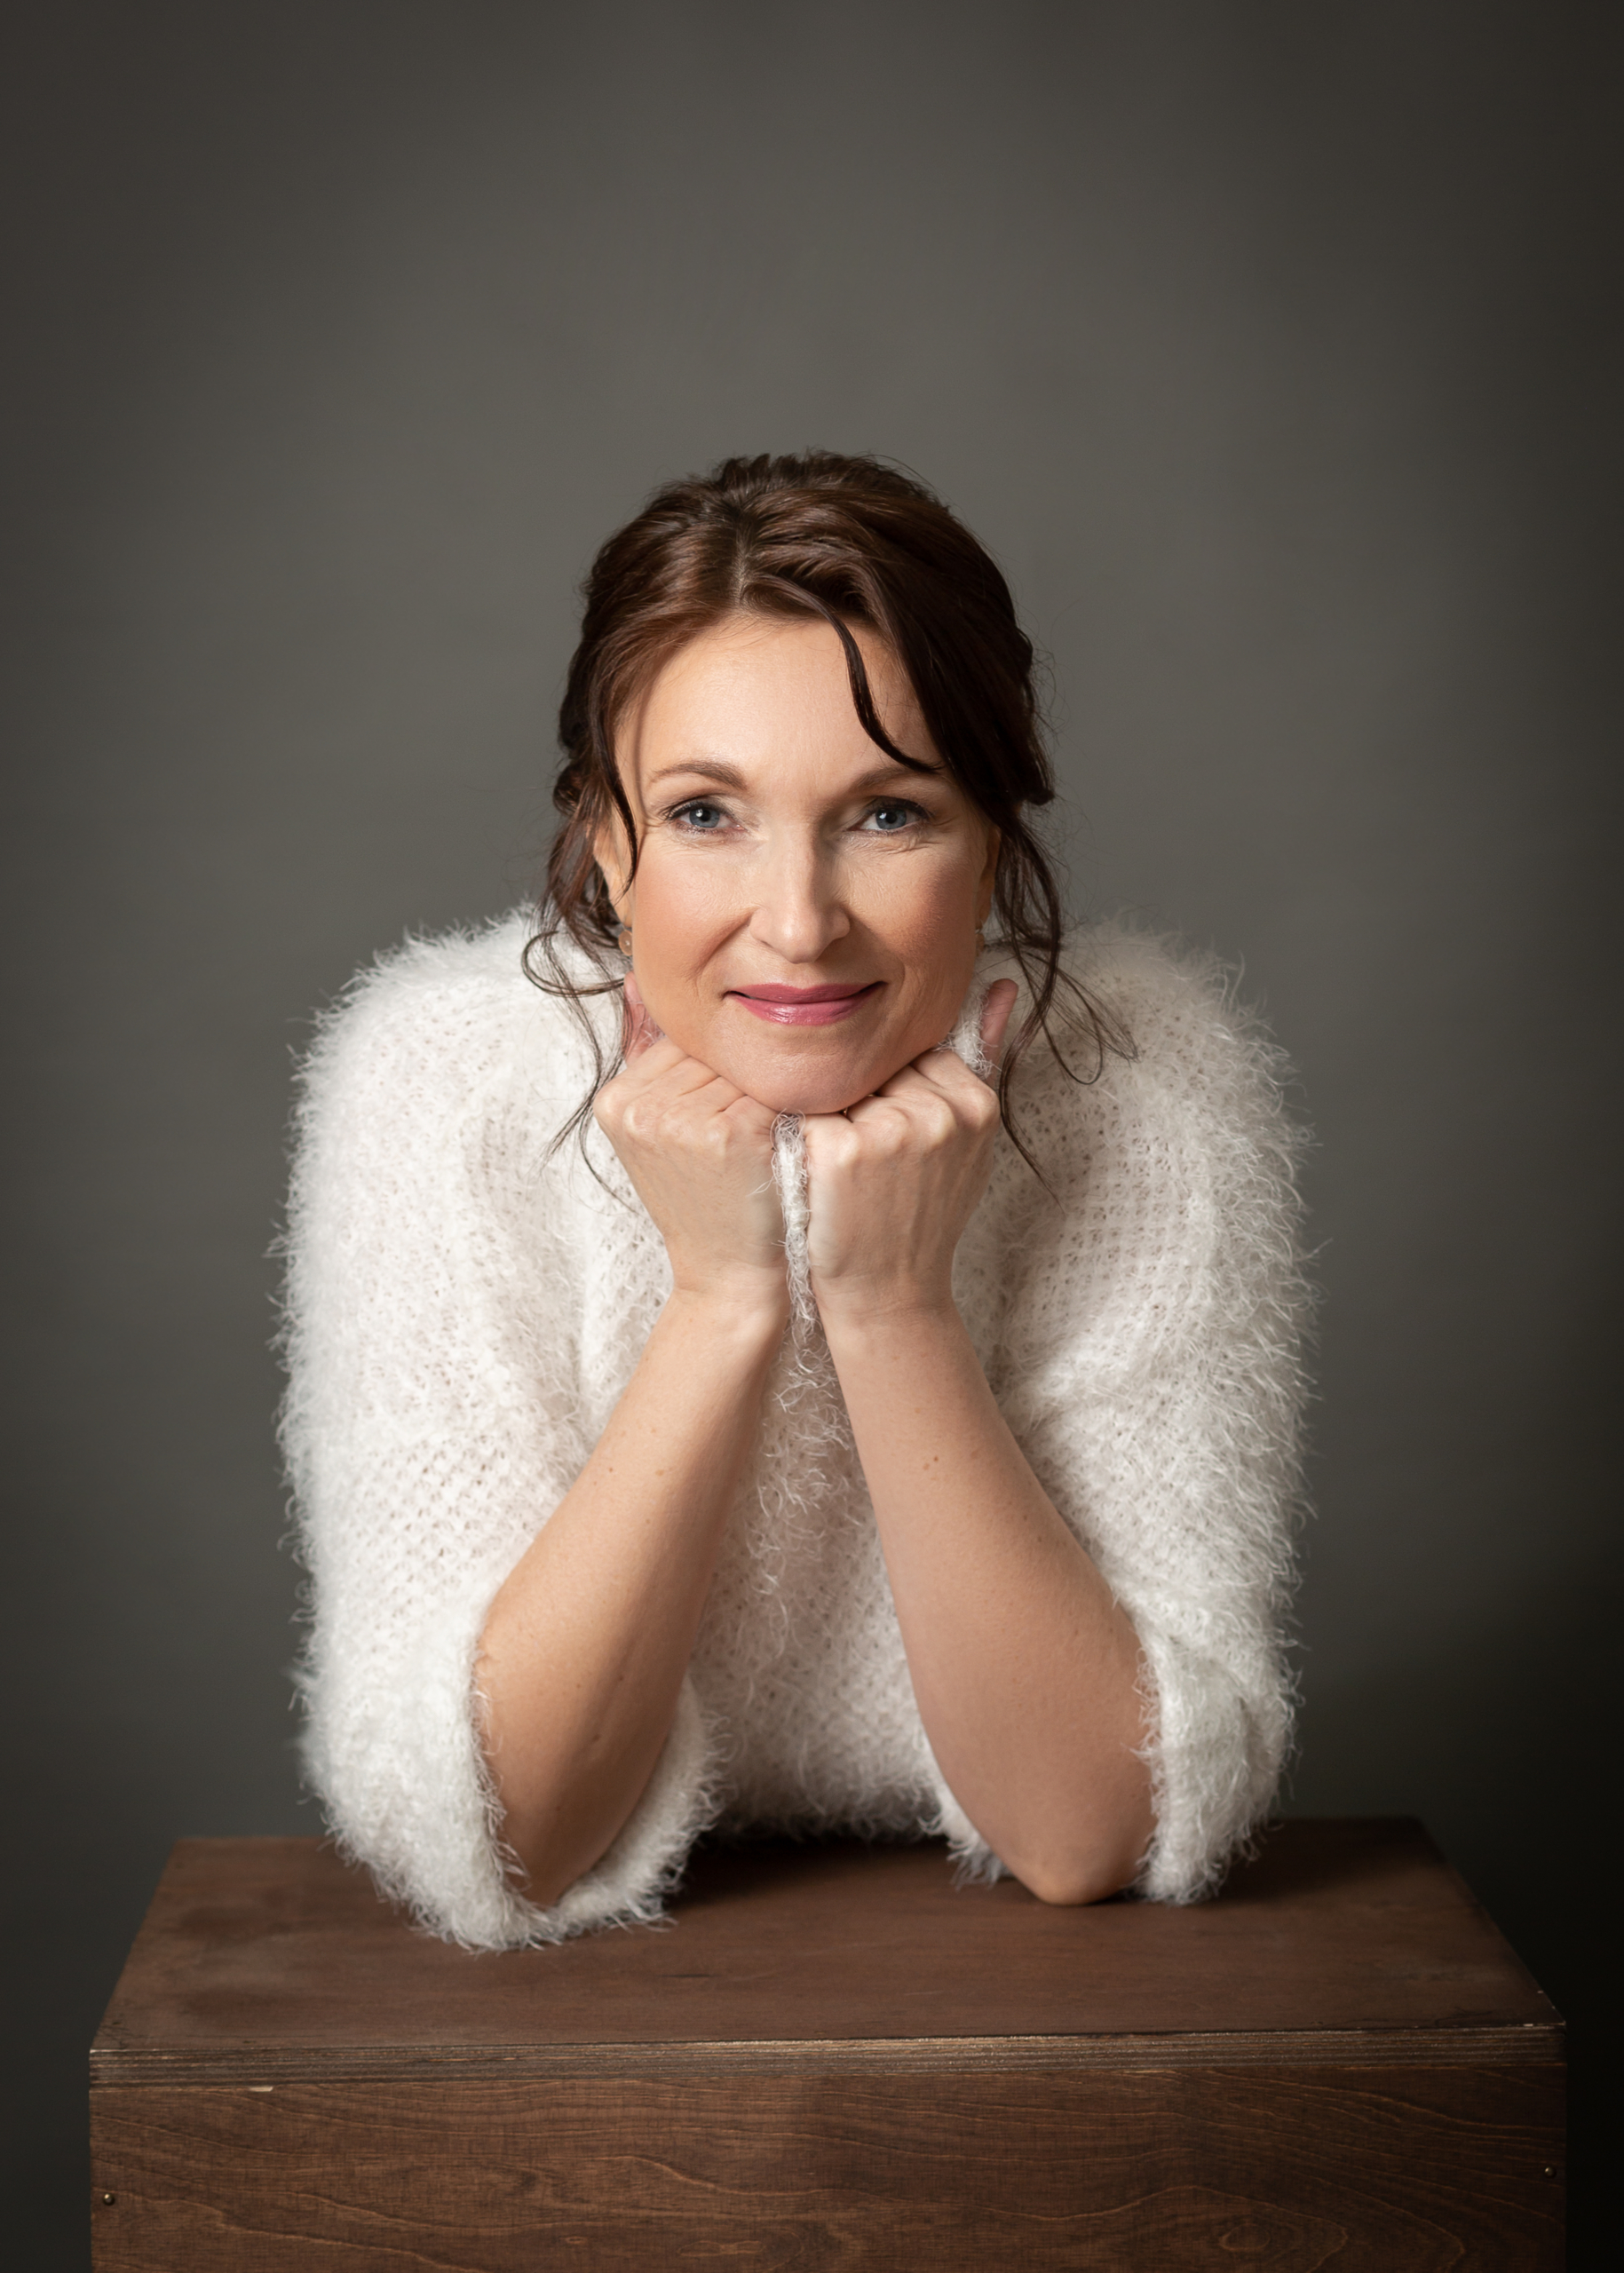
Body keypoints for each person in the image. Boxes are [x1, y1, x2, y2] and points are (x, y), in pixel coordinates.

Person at [281, 452, 1308, 1950]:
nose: (799, 922)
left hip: (998, 2014)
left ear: (991, 843)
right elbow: (502, 1835)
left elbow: (1095, 1825)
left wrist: (892, 1304)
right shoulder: (440, 1080)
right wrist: (722, 1299)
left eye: (886, 815)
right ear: (608, 843)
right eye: (707, 813)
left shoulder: (1135, 1081)